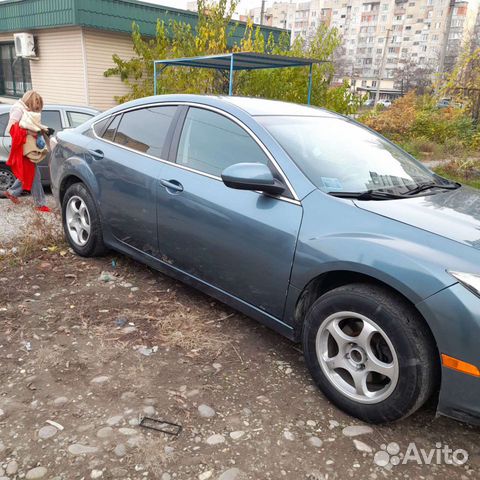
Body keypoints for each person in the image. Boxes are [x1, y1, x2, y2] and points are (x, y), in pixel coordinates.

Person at [3, 90, 51, 212]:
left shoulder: (23, 108)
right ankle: (40, 204)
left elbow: (27, 124)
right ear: (30, 102)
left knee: (30, 172)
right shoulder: (18, 109)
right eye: (35, 107)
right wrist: (29, 132)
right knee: (34, 174)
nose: (36, 109)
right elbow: (11, 129)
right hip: (22, 147)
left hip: (25, 146)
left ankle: (12, 192)